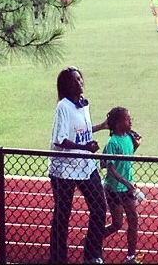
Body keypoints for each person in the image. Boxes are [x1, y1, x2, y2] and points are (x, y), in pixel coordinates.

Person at [48, 66, 107, 264]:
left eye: (80, 79)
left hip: (85, 166)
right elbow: (60, 139)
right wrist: (85, 146)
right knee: (62, 215)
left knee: (99, 207)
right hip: (64, 170)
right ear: (66, 85)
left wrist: (102, 126)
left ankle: (92, 255)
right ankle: (57, 258)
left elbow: (83, 130)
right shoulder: (63, 106)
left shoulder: (83, 104)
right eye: (75, 80)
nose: (79, 82)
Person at [101, 107, 142, 265]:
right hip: (114, 189)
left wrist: (136, 145)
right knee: (117, 224)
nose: (130, 121)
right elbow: (110, 168)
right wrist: (126, 182)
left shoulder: (129, 138)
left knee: (134, 220)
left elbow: (127, 159)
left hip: (127, 188)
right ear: (118, 123)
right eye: (127, 119)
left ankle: (131, 257)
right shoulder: (112, 142)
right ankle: (93, 238)